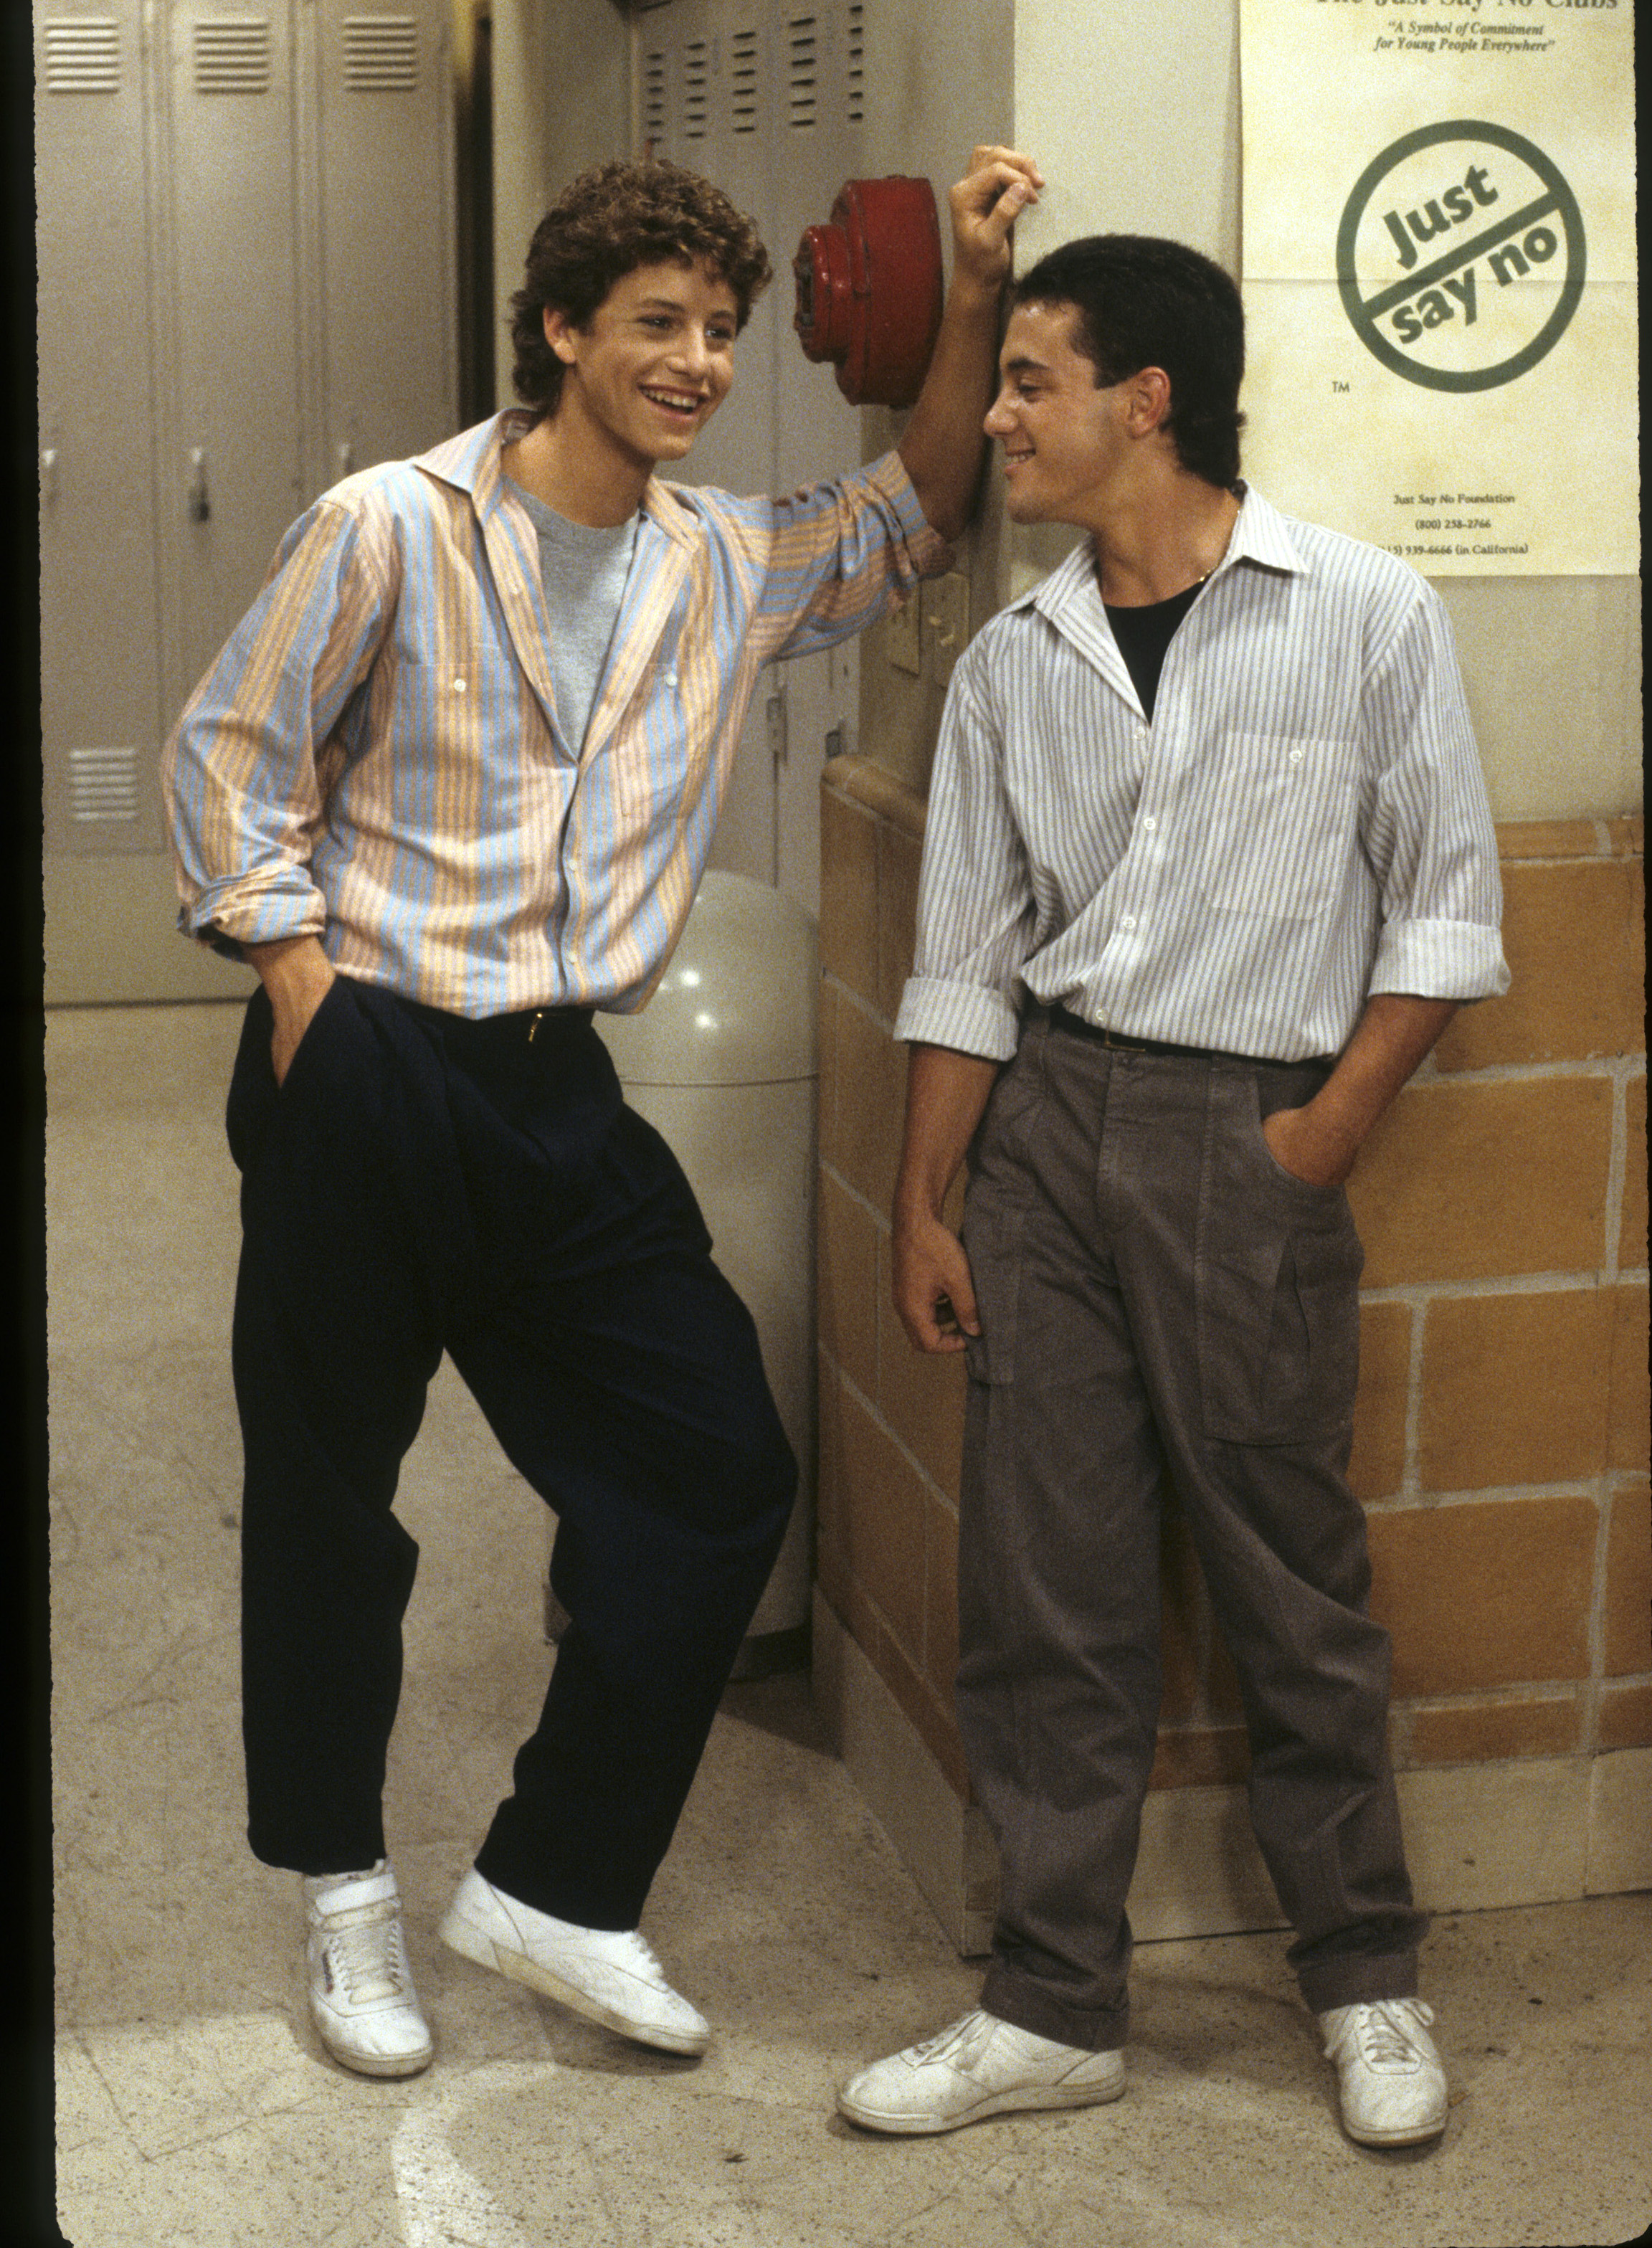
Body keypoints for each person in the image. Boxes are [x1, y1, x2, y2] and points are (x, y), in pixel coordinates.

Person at [162, 143, 1043, 2082]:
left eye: (723, 332)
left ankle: (554, 1887)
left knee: (721, 1468)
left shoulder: (721, 564)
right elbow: (231, 759)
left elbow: (918, 502)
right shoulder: (388, 526)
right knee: (331, 1503)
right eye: (657, 325)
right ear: (560, 332)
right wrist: (302, 986)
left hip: (560, 1087)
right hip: (371, 1061)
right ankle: (343, 1901)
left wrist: (970, 288)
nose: (700, 362)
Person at [836, 233, 1509, 2149]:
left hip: (1254, 1130)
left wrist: (1316, 1138)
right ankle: (1053, 2003)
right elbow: (965, 953)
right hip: (1045, 1136)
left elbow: (1447, 916)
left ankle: (1367, 1978)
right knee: (1044, 1585)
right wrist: (925, 1200)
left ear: (1148, 400)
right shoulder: (1009, 663)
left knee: (1290, 1580)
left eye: (1031, 379)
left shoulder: (1364, 613)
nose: (999, 417)